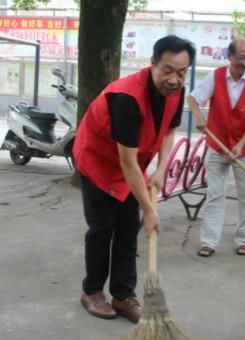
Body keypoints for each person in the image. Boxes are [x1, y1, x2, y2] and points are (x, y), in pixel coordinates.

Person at [73, 35, 195, 323]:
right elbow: (126, 162)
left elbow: (168, 131)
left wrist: (162, 167)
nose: (174, 79)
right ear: (152, 63)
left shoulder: (175, 92)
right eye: (167, 70)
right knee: (103, 229)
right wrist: (150, 211)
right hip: (99, 162)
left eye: (181, 72)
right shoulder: (127, 99)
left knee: (129, 229)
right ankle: (91, 291)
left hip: (131, 164)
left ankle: (122, 295)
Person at [187, 39, 245, 257]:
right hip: (217, 145)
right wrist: (199, 116)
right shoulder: (215, 77)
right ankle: (209, 242)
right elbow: (193, 98)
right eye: (242, 58)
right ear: (230, 56)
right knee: (215, 194)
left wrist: (240, 146)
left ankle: (244, 240)